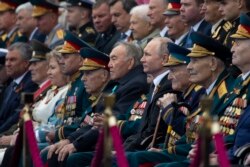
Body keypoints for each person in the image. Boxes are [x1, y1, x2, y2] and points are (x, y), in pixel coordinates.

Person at [45, 41, 149, 166]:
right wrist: (70, 140)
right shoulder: (120, 84)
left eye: (114, 59)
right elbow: (96, 121)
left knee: (67, 157)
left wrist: (75, 144)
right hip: (102, 141)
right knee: (55, 153)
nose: (109, 65)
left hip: (118, 146)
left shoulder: (134, 85)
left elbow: (106, 123)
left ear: (130, 63)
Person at [126, 42, 206, 167]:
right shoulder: (183, 94)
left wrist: (169, 110)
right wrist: (163, 149)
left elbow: (192, 133)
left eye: (173, 70)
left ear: (188, 70)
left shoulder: (198, 95)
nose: (169, 77)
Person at [123, 37, 173, 151]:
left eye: (147, 55)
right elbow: (142, 130)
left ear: (164, 59)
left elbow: (151, 132)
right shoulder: (155, 85)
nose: (141, 59)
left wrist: (123, 151)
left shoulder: (168, 86)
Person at [0, 42, 38, 134]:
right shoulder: (12, 84)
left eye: (12, 60)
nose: (8, 64)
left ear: (25, 63)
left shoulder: (31, 84)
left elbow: (19, 114)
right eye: (6, 60)